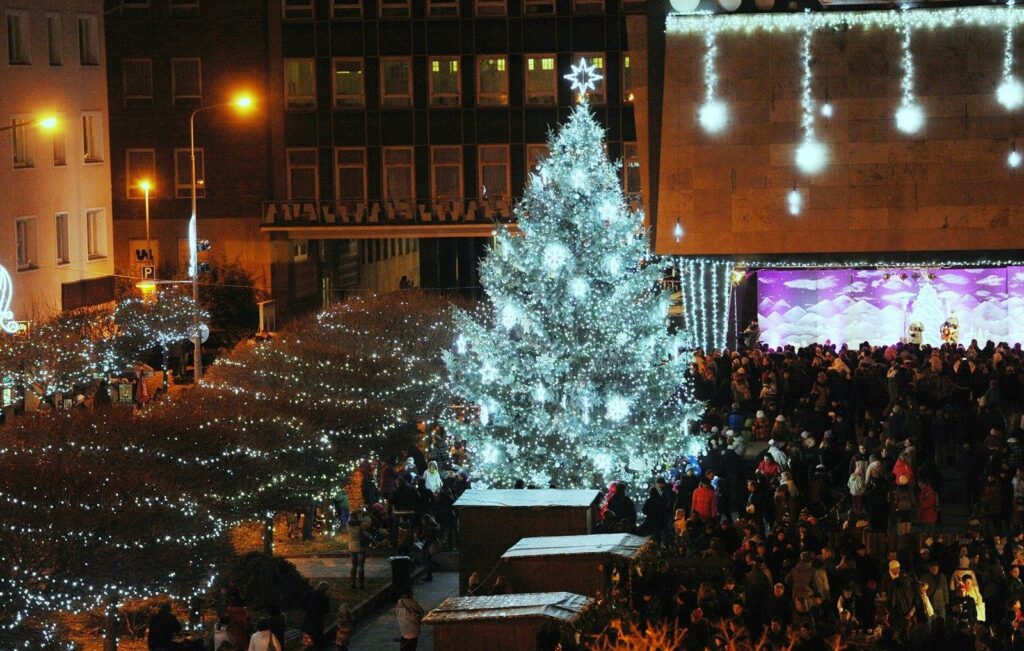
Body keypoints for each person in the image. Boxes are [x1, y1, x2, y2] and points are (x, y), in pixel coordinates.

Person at [302, 582, 331, 650]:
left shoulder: (310, 594)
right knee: (318, 642)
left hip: (308, 621)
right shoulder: (323, 598)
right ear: (325, 590)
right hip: (317, 622)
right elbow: (327, 610)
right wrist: (327, 599)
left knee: (309, 642)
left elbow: (303, 605)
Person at [396, 586, 425, 651]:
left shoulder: (399, 602)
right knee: (412, 647)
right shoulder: (412, 603)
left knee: (405, 646)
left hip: (403, 630)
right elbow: (421, 611)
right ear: (410, 593)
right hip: (413, 630)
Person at [347, 509, 370, 590]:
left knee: (354, 566)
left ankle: (352, 583)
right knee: (361, 566)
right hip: (360, 547)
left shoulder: (348, 525)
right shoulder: (361, 526)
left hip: (352, 547)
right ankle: (361, 584)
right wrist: (365, 514)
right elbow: (368, 522)